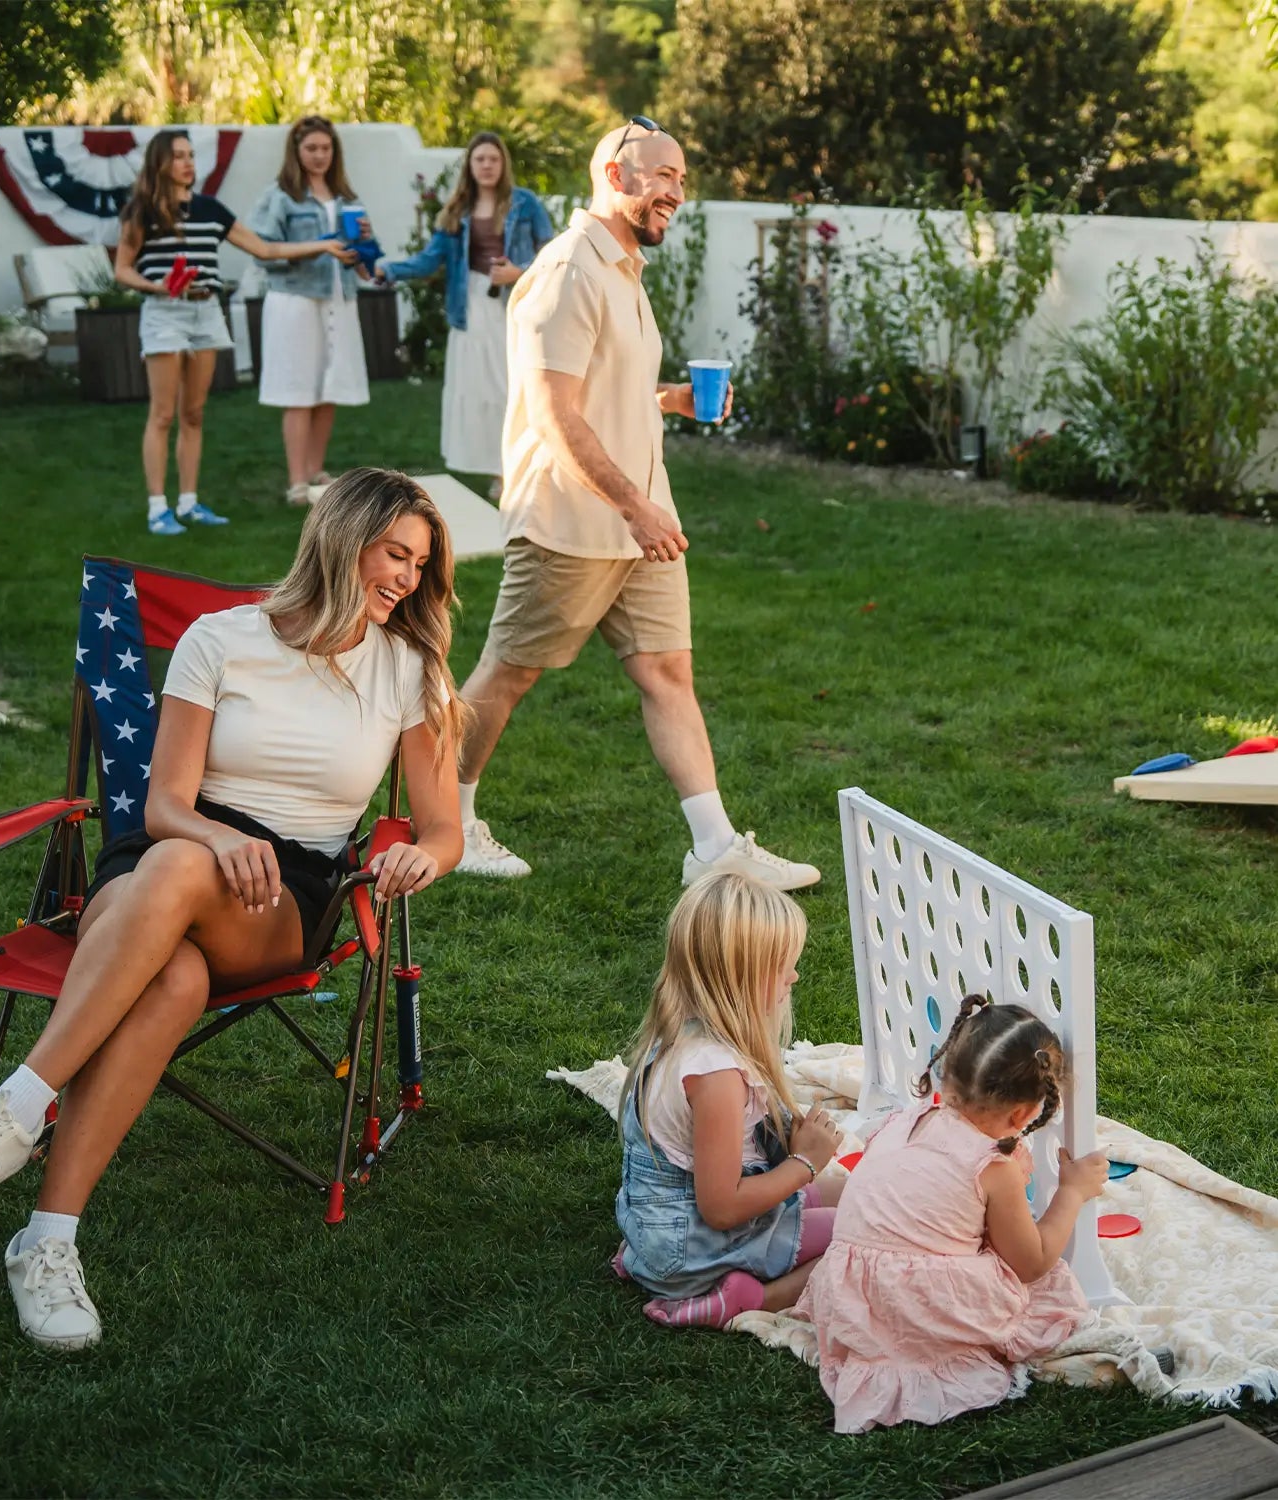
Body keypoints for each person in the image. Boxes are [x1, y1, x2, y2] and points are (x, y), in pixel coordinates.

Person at [0, 469, 465, 1351]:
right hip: (165, 857)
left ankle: (13, 1110)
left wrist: (418, 855)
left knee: (178, 885)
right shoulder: (221, 639)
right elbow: (163, 807)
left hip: (285, 894)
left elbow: (442, 831)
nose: (408, 578)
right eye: (396, 553)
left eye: (421, 565)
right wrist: (214, 839)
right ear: (343, 540)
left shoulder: (408, 671)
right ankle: (47, 1242)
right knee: (173, 964)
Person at [451, 119, 821, 891]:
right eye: (663, 176)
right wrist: (634, 506)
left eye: (683, 179)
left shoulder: (622, 269)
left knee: (665, 671)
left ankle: (713, 847)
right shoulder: (566, 273)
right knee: (509, 673)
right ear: (615, 177)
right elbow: (555, 415)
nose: (676, 193)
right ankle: (446, 819)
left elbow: (602, 394)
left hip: (638, 525)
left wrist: (671, 401)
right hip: (574, 520)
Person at [796, 994, 1106, 1433]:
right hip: (912, 1305)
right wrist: (1071, 1193)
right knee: (1040, 1295)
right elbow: (1033, 1263)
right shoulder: (993, 1166)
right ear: (1025, 1113)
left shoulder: (908, 1119)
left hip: (848, 1293)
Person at [613, 871, 847, 1328]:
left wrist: (788, 1143)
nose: (794, 976)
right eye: (784, 966)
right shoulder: (717, 1076)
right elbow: (721, 1208)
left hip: (661, 1229)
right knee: (871, 1232)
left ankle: (647, 1258)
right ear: (741, 976)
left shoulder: (682, 1033)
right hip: (691, 1246)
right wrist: (804, 1163)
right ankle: (754, 1298)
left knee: (862, 1195)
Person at [115, 129, 296, 537]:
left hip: (206, 312)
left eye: (191, 155)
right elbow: (122, 269)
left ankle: (190, 503)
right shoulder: (142, 211)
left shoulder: (210, 209)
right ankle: (158, 508)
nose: (188, 163)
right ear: (160, 162)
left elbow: (264, 250)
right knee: (162, 414)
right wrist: (156, 285)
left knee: (193, 413)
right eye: (178, 155)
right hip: (164, 313)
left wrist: (321, 245)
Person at [377, 132, 554, 498]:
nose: (487, 165)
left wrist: (519, 272)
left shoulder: (525, 204)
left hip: (513, 305)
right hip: (469, 308)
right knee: (478, 389)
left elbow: (554, 255)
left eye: (493, 158)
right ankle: (494, 468)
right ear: (470, 167)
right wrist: (389, 270)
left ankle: (515, 468)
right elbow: (429, 259)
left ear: (503, 163)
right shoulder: (457, 211)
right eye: (479, 160)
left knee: (510, 387)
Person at [249, 117, 375, 507]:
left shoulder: (346, 197)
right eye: (312, 149)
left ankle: (316, 471)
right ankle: (296, 482)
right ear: (297, 152)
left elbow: (364, 264)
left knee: (329, 388)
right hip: (296, 300)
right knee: (298, 390)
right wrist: (318, 247)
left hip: (339, 296)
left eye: (326, 149)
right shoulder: (280, 196)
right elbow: (262, 248)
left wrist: (365, 245)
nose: (320, 156)